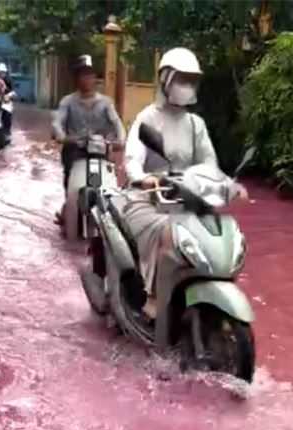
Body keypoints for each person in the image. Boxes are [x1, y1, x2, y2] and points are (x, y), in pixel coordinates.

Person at [122, 47, 247, 318]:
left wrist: (228, 184)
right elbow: (132, 159)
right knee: (168, 232)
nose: (186, 86)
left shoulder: (195, 124)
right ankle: (154, 296)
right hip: (150, 199)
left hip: (188, 200)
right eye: (182, 79)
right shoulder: (148, 118)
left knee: (219, 230)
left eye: (191, 80)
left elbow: (208, 163)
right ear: (165, 79)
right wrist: (145, 179)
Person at [51, 54, 125, 225]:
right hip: (74, 150)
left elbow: (117, 123)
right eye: (82, 74)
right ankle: (69, 206)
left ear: (95, 78)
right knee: (69, 179)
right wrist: (61, 135)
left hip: (100, 150)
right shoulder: (67, 102)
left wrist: (121, 140)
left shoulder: (106, 103)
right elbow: (57, 122)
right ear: (76, 78)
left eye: (90, 74)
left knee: (108, 183)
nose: (86, 78)